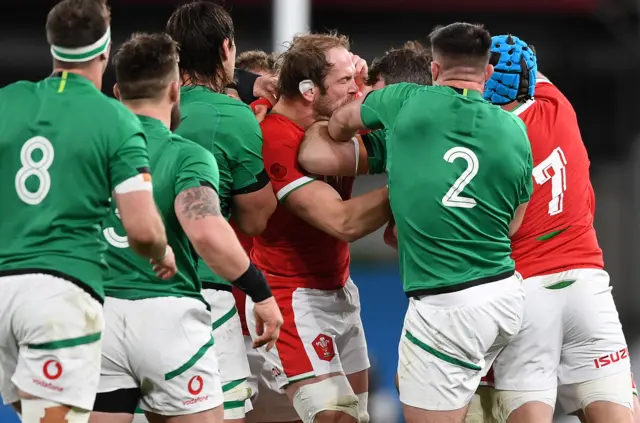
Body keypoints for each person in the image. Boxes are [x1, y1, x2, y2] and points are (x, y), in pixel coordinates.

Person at [326, 23, 532, 423]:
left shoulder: (406, 100)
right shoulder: (515, 129)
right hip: (506, 297)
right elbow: (512, 224)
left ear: (434, 71)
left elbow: (339, 126)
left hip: (447, 302)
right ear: (487, 74)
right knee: (414, 381)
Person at [89, 32, 283, 423]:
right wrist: (259, 292)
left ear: (116, 91)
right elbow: (206, 232)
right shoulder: (186, 156)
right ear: (175, 90)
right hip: (166, 316)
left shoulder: (86, 151)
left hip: (97, 316)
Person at [0, 0, 176, 422]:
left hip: (3, 291)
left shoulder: (7, 101)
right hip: (59, 294)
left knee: (41, 415)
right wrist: (161, 252)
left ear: (53, 46)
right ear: (105, 50)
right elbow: (142, 229)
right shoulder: (115, 120)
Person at [475, 34, 633, 423]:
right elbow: (526, 68)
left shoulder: (483, 141)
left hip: (526, 293)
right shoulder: (558, 106)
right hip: (588, 288)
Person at [247, 32, 392, 423]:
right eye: (346, 82)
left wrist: (355, 75)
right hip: (292, 298)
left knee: (356, 417)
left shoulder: (331, 121)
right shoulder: (275, 138)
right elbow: (342, 222)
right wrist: (414, 180)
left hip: (340, 290)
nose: (356, 90)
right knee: (335, 417)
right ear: (309, 90)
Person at [165, 3, 278, 423]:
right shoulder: (231, 117)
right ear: (227, 48)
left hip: (128, 291)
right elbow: (255, 219)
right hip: (203, 293)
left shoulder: (137, 109)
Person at [298, 39, 433, 177]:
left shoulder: (408, 140)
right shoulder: (401, 135)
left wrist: (330, 114)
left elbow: (313, 155)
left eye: (374, 99)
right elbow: (315, 155)